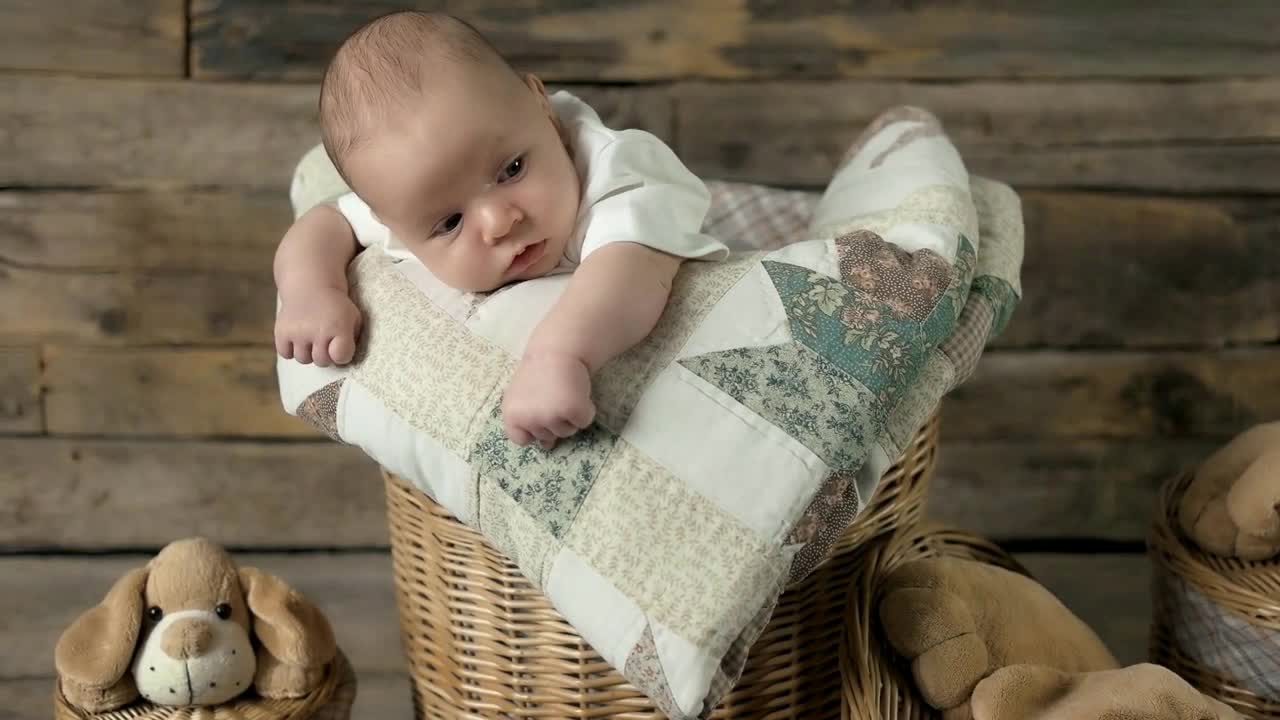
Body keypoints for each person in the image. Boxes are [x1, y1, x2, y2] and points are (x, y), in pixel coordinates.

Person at [272, 11, 727, 449]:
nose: (499, 221)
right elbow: (325, 220)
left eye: (512, 169)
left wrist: (559, 355)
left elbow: (630, 269)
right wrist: (311, 291)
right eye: (450, 222)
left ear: (542, 108)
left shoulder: (618, 172)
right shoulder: (409, 198)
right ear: (391, 223)